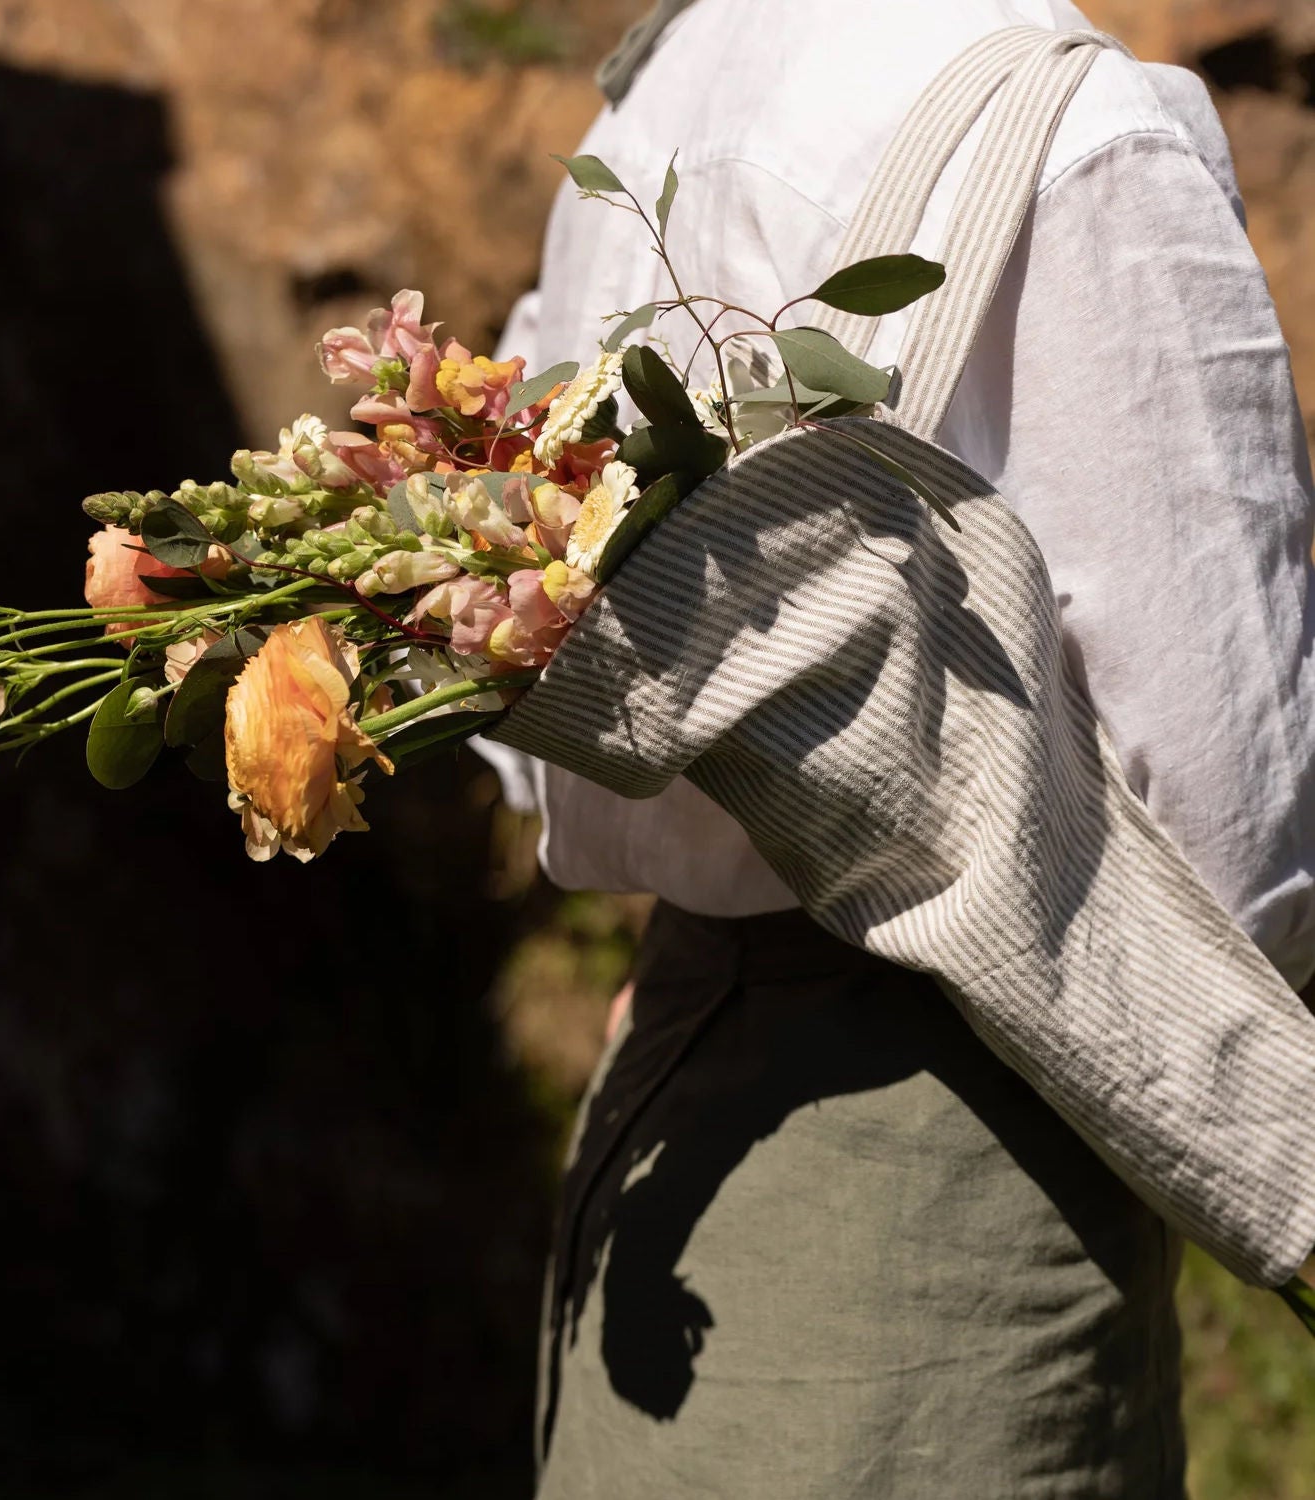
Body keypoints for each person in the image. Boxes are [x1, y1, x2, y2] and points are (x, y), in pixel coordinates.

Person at [479, 1, 1315, 1495]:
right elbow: (1238, 840)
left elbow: (521, 635)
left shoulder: (661, 88)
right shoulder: (1078, 139)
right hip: (957, 1172)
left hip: (663, 1120)